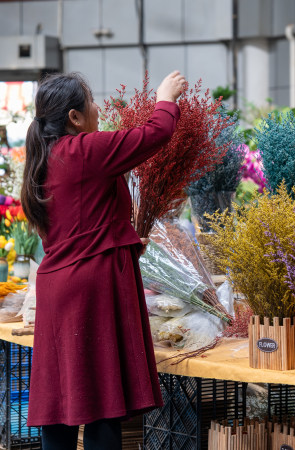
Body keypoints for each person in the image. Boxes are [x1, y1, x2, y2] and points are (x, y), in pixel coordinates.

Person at [21, 70, 187, 449]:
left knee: (61, 399)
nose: (98, 108)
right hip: (89, 289)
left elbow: (79, 224)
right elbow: (155, 134)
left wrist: (123, 242)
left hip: (60, 285)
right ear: (74, 118)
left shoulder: (46, 157)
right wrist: (166, 98)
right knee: (101, 402)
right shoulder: (83, 150)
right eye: (91, 101)